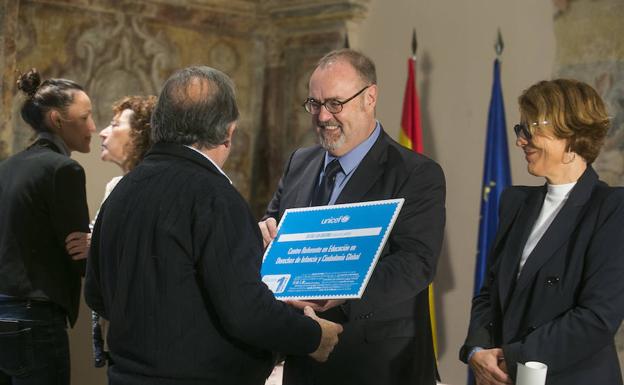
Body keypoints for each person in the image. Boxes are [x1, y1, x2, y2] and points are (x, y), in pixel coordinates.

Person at [84, 66, 343, 385]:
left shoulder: (122, 191)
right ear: (228, 132)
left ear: (160, 124)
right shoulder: (215, 198)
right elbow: (246, 313)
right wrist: (313, 336)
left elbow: (96, 295)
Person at [259, 49, 446, 385]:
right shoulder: (298, 163)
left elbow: (416, 263)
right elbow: (274, 231)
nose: (322, 116)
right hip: (303, 357)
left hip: (376, 365)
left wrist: (346, 291)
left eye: (335, 103)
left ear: (369, 98)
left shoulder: (416, 173)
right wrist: (264, 238)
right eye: (314, 104)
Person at [460, 79, 624, 385]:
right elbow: (489, 292)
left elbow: (598, 318)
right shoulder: (515, 203)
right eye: (519, 130)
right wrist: (478, 350)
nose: (521, 141)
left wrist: (511, 355)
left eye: (529, 130)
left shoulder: (612, 209)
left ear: (570, 134)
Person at [0, 69, 95, 384]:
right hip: (35, 319)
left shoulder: (7, 167)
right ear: (57, 120)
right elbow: (78, 254)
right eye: (85, 118)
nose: (93, 127)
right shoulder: (64, 170)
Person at [92, 95, 157, 367]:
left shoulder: (153, 188)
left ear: (140, 135)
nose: (103, 132)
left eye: (116, 124)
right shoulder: (116, 185)